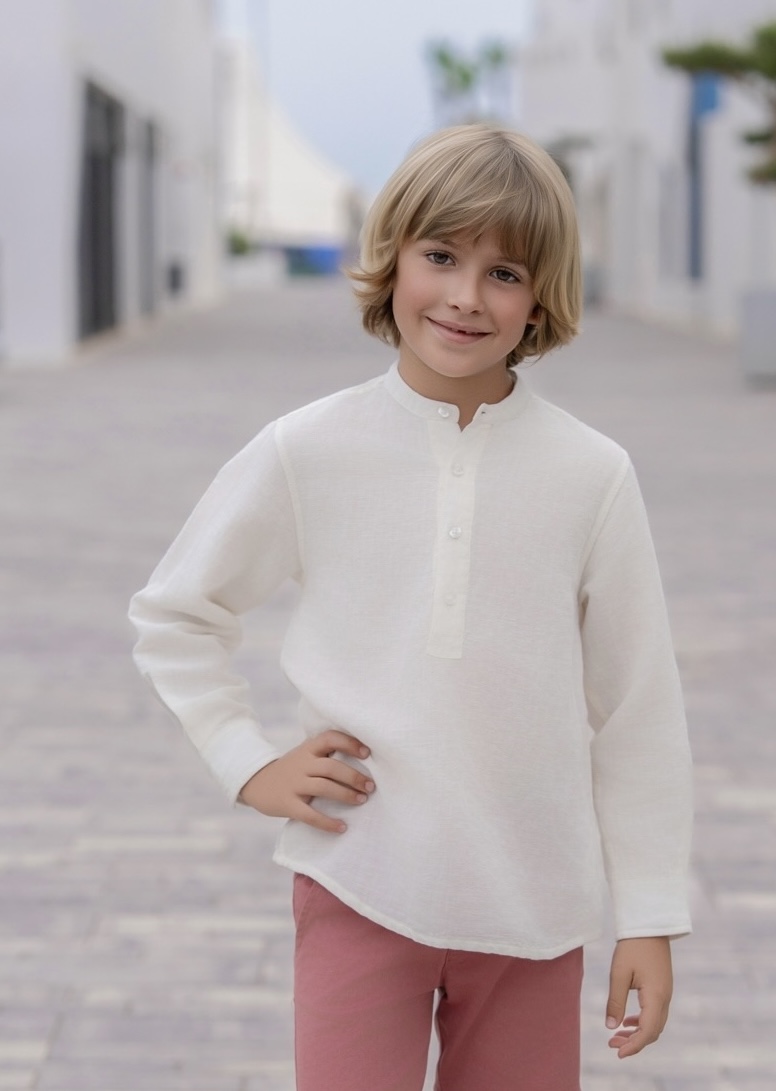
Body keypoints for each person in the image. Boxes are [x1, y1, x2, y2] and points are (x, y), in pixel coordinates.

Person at [129, 124, 692, 1091]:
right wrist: (246, 760)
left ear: (541, 297)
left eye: (504, 272)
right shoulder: (309, 448)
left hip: (532, 905)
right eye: (440, 257)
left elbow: (639, 708)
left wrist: (648, 911)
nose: (466, 296)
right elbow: (177, 613)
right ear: (392, 259)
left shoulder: (591, 475)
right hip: (360, 878)